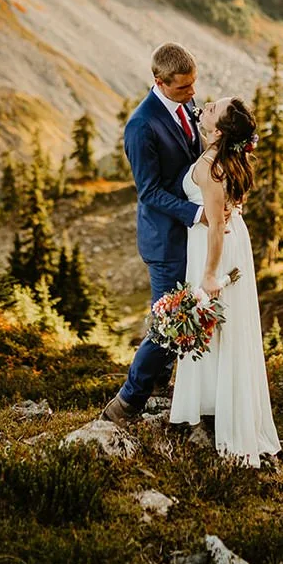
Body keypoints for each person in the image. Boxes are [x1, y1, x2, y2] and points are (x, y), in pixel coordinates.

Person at [170, 96, 281, 467]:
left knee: (221, 328)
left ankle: (229, 417)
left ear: (217, 131)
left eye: (213, 109)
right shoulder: (222, 159)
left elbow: (216, 224)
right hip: (229, 240)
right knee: (222, 329)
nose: (207, 104)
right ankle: (218, 401)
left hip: (216, 247)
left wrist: (209, 274)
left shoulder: (210, 168)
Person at [102, 42, 204, 423]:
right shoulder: (141, 125)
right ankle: (126, 402)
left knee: (182, 312)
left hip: (190, 235)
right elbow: (150, 191)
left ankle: (161, 382)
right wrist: (197, 213)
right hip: (165, 239)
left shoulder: (187, 105)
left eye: (193, 84)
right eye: (183, 88)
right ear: (158, 82)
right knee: (168, 324)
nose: (192, 93)